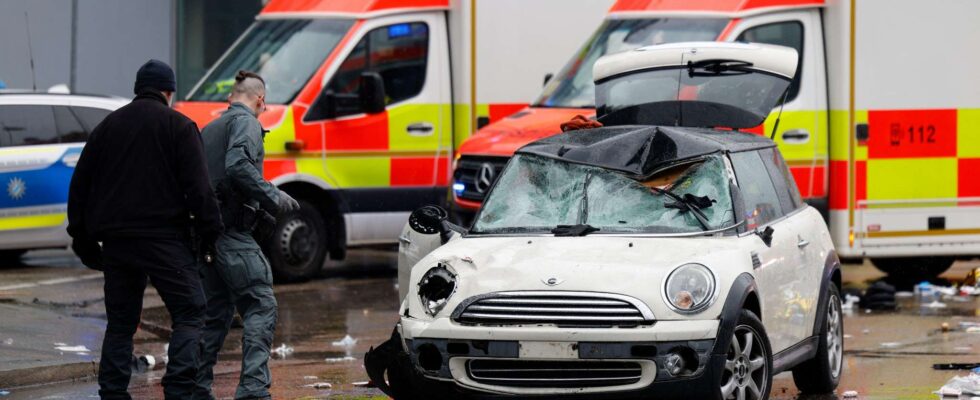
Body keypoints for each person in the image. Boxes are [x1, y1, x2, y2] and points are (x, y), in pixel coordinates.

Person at [67, 59, 223, 400]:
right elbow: (199, 189)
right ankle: (180, 388)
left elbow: (79, 186)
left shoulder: (107, 127)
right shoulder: (179, 126)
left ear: (138, 89)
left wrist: (82, 239)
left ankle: (112, 392)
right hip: (164, 239)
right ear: (169, 92)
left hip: (118, 243)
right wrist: (212, 231)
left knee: (121, 321)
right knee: (191, 310)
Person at [194, 70, 299, 400]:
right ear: (260, 100)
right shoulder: (248, 123)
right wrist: (273, 196)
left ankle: (194, 389)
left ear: (229, 98)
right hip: (232, 235)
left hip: (206, 238)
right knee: (260, 304)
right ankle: (253, 390)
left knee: (216, 314)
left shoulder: (208, 130)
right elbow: (239, 164)